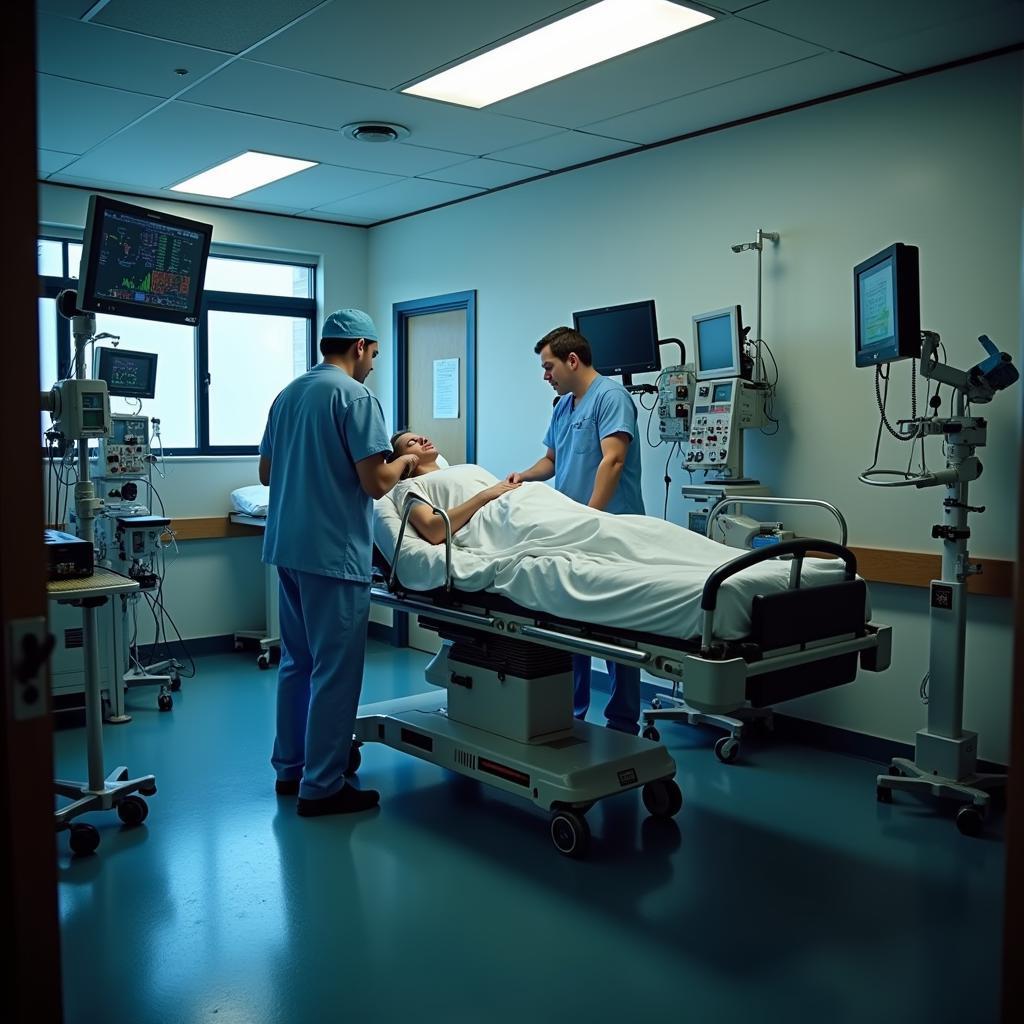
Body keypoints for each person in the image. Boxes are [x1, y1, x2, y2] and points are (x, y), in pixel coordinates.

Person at [259, 309, 419, 817]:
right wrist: (406, 462)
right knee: (335, 670)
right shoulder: (355, 397)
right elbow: (375, 483)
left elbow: (266, 473)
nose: (372, 364)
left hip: (288, 548)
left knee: (297, 662)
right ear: (359, 347)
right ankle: (323, 784)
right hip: (332, 554)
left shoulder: (288, 394)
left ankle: (291, 768)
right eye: (373, 354)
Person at [506, 327, 645, 735]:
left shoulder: (611, 398)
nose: (545, 375)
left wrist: (592, 517)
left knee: (618, 630)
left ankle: (622, 722)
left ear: (572, 360)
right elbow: (552, 460)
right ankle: (574, 715)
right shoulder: (564, 406)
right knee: (570, 626)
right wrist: (524, 476)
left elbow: (613, 461)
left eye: (548, 366)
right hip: (572, 531)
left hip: (611, 528)